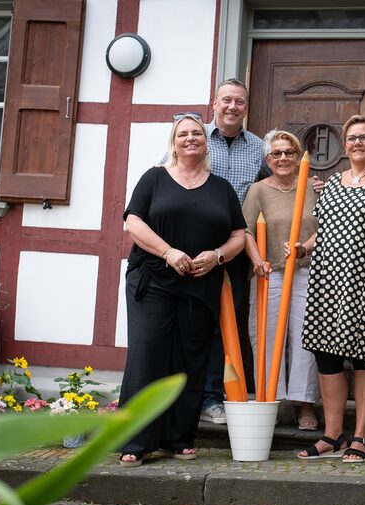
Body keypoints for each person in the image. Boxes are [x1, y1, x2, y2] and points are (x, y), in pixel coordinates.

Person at [119, 113, 246, 466]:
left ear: (206, 142)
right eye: (183, 134)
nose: (190, 138)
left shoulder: (221, 187)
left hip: (200, 284)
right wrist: (168, 251)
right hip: (153, 280)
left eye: (197, 133)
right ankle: (136, 441)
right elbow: (132, 221)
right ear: (173, 143)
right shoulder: (154, 178)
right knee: (148, 355)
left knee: (190, 359)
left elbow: (239, 234)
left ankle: (178, 438)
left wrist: (218, 256)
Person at [296, 115, 365, 463]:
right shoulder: (332, 183)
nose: (357, 143)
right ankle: (332, 435)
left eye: (364, 137)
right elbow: (327, 229)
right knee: (327, 357)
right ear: (344, 146)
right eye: (351, 138)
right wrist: (305, 247)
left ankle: (360, 436)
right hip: (328, 284)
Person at [160, 79, 268, 425]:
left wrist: (303, 186)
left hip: (232, 247)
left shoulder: (258, 148)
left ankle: (211, 397)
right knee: (182, 321)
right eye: (226, 100)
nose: (232, 107)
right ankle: (173, 397)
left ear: (246, 107)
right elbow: (162, 178)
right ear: (215, 104)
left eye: (239, 101)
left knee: (225, 324)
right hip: (187, 245)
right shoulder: (193, 136)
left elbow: (269, 186)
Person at [243, 130, 320, 430]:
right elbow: (245, 230)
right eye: (277, 154)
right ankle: (269, 402)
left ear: (299, 157)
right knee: (265, 336)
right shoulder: (258, 191)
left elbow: (324, 225)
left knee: (305, 338)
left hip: (307, 270)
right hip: (268, 271)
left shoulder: (313, 188)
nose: (284, 158)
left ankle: (305, 406)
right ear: (268, 160)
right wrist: (256, 260)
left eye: (289, 152)